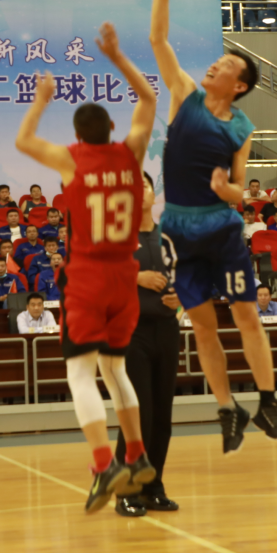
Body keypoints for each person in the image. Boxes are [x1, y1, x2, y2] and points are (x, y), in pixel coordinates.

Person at [16, 20, 159, 511]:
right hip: (124, 275)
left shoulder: (71, 160)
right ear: (112, 129)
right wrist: (116, 57)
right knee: (115, 371)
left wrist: (42, 100)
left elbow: (24, 141)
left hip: (88, 276)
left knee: (80, 374)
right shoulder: (131, 153)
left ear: (77, 135)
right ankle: (136, 455)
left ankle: (103, 465)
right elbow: (149, 99)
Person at [113, 171, 182, 517]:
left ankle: (153, 487)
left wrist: (180, 298)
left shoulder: (167, 238)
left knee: (162, 416)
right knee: (138, 415)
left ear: (154, 195)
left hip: (167, 331)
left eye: (144, 185)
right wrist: (135, 276)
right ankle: (126, 491)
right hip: (131, 334)